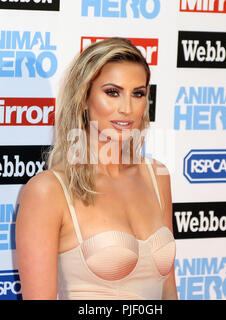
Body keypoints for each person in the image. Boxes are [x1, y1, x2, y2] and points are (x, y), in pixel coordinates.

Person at [15, 38, 177, 300]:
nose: (126, 108)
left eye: (138, 93)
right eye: (112, 92)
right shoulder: (49, 190)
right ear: (83, 97)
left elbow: (169, 290)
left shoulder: (157, 176)